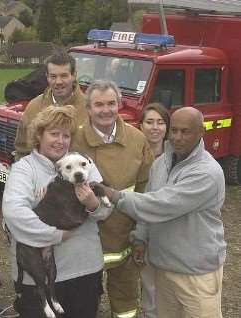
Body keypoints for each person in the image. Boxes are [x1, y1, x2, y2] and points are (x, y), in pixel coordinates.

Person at [97, 107, 226, 318]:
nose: (177, 137)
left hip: (196, 272)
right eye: (174, 130)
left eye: (185, 131)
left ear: (201, 132)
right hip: (164, 266)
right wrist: (140, 238)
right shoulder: (161, 164)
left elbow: (160, 205)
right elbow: (150, 201)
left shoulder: (206, 172)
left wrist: (115, 196)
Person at [3, 105, 110, 318]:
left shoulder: (82, 162)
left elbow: (106, 211)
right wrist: (56, 235)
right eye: (54, 134)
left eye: (66, 135)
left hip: (84, 270)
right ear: (39, 136)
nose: (60, 141)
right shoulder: (24, 169)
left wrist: (92, 204)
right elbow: (14, 213)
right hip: (37, 277)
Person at [71, 80, 154, 318]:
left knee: (126, 299)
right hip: (85, 236)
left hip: (125, 235)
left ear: (119, 105)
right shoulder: (74, 141)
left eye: (111, 103)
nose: (105, 110)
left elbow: (146, 192)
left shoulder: (137, 140)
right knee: (83, 299)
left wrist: (142, 234)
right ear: (88, 109)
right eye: (98, 104)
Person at [14, 50, 89, 160]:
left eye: (64, 76)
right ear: (47, 77)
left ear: (74, 76)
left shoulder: (89, 109)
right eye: (53, 76)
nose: (58, 82)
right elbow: (22, 149)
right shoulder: (34, 106)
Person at [135, 103, 170, 318]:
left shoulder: (175, 157)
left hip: (165, 230)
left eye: (161, 122)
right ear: (140, 125)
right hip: (138, 226)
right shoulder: (132, 154)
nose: (155, 127)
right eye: (149, 122)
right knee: (147, 283)